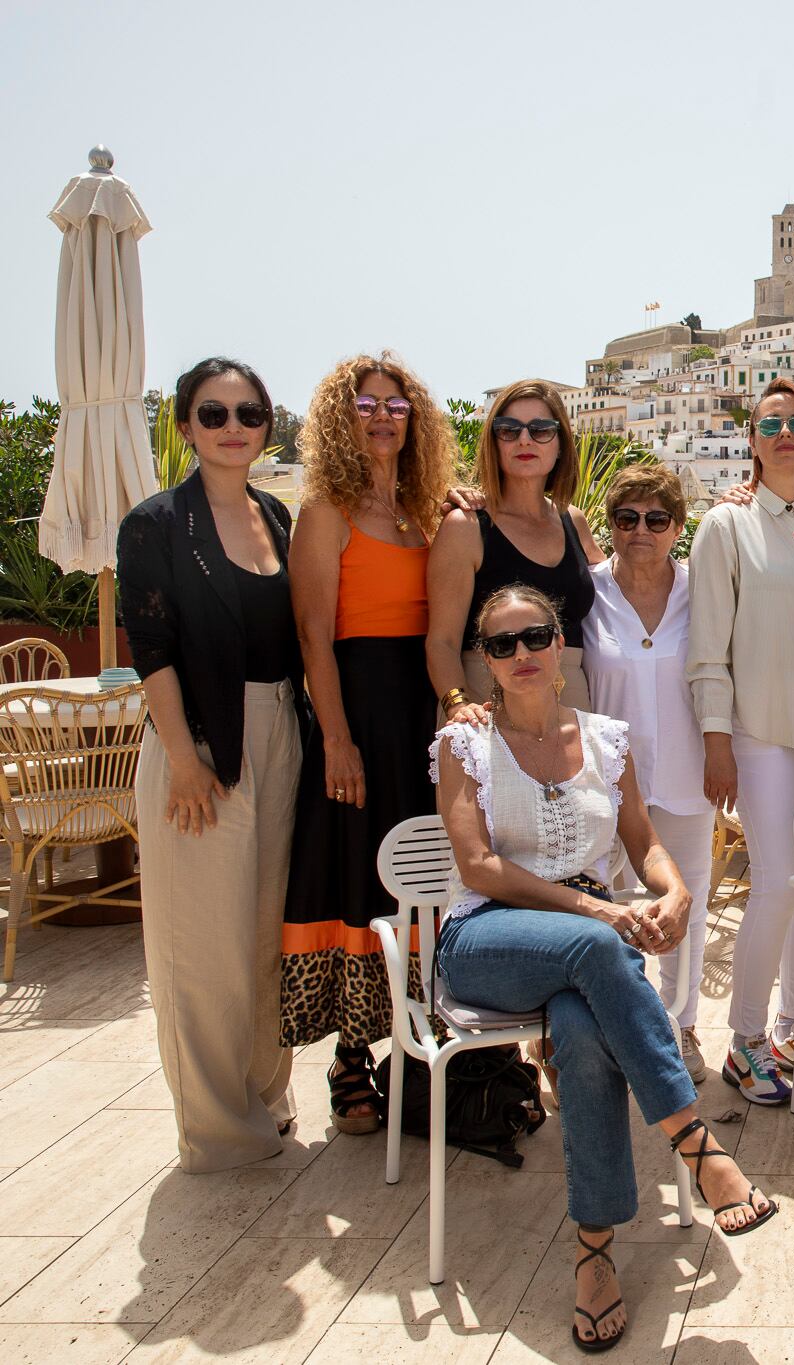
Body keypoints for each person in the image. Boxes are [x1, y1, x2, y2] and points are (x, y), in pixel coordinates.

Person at [433, 584, 777, 1353]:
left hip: (584, 953)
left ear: (561, 643)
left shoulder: (605, 739)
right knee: (599, 947)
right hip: (489, 939)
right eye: (502, 643)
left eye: (535, 635)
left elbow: (643, 842)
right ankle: (696, 1143)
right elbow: (479, 867)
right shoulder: (463, 745)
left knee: (585, 1032)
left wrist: (677, 888)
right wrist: (598, 913)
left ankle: (594, 1252)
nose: (521, 653)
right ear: (485, 660)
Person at [118, 357, 302, 1171]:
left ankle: (266, 1095)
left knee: (265, 934)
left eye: (249, 413)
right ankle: (218, 1128)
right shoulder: (156, 524)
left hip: (278, 735)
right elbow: (150, 646)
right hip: (197, 740)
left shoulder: (277, 515)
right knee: (203, 946)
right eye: (214, 413)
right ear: (187, 424)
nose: (234, 428)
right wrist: (183, 755)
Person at [281, 353, 456, 1136]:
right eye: (366, 404)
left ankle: (419, 1042)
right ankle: (351, 1057)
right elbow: (313, 636)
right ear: (340, 418)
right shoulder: (325, 509)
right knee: (359, 871)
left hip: (421, 713)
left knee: (422, 873)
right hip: (359, 708)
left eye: (396, 404)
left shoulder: (429, 512)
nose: (383, 416)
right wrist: (337, 740)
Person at [688, 378, 794, 1103]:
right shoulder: (724, 527)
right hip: (759, 732)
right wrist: (716, 740)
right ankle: (746, 1038)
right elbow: (707, 648)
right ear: (751, 441)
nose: (784, 433)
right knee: (777, 882)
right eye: (769, 424)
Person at [583, 463, 717, 1082]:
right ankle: (610, 1030)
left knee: (685, 903)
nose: (641, 530)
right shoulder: (586, 593)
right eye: (626, 518)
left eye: (656, 519)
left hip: (690, 775)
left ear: (677, 527)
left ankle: (682, 1026)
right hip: (604, 783)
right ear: (609, 525)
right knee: (603, 904)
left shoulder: (704, 590)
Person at [427, 379, 602, 727]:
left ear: (561, 444)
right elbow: (442, 641)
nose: (525, 439)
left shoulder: (574, 521)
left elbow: (631, 581)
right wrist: (457, 705)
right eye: (508, 430)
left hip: (570, 706)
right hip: (485, 704)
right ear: (494, 443)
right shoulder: (465, 527)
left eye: (540, 429)